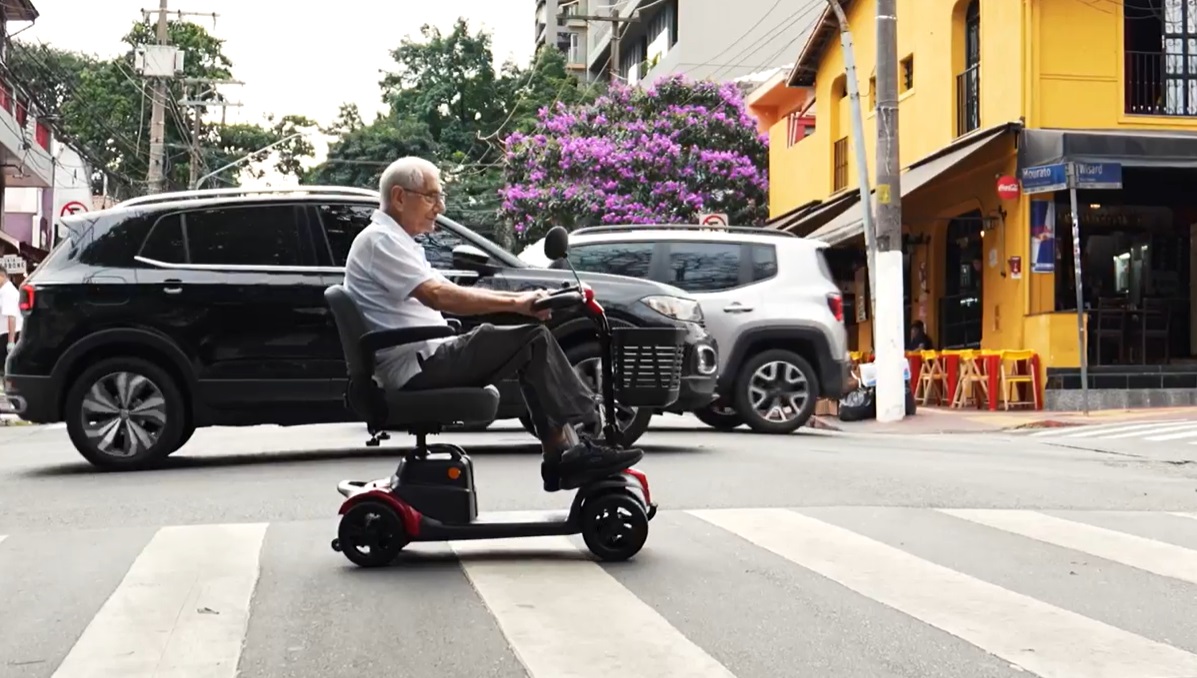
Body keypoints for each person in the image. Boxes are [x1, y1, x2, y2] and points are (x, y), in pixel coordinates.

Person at [342, 156, 643, 493]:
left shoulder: (396, 242)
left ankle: (561, 453)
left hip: (425, 356)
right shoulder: (380, 242)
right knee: (532, 339)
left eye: (440, 198)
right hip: (419, 365)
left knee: (527, 343)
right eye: (431, 197)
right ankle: (582, 437)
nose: (438, 208)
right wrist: (518, 304)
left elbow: (452, 291)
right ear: (399, 197)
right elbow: (439, 296)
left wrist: (526, 298)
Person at [0, 266, 21, 375]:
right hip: (6, 333)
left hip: (9, 334)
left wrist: (11, 341)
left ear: (1, 276)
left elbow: (11, 317)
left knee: (6, 368)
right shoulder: (4, 291)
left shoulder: (7, 292)